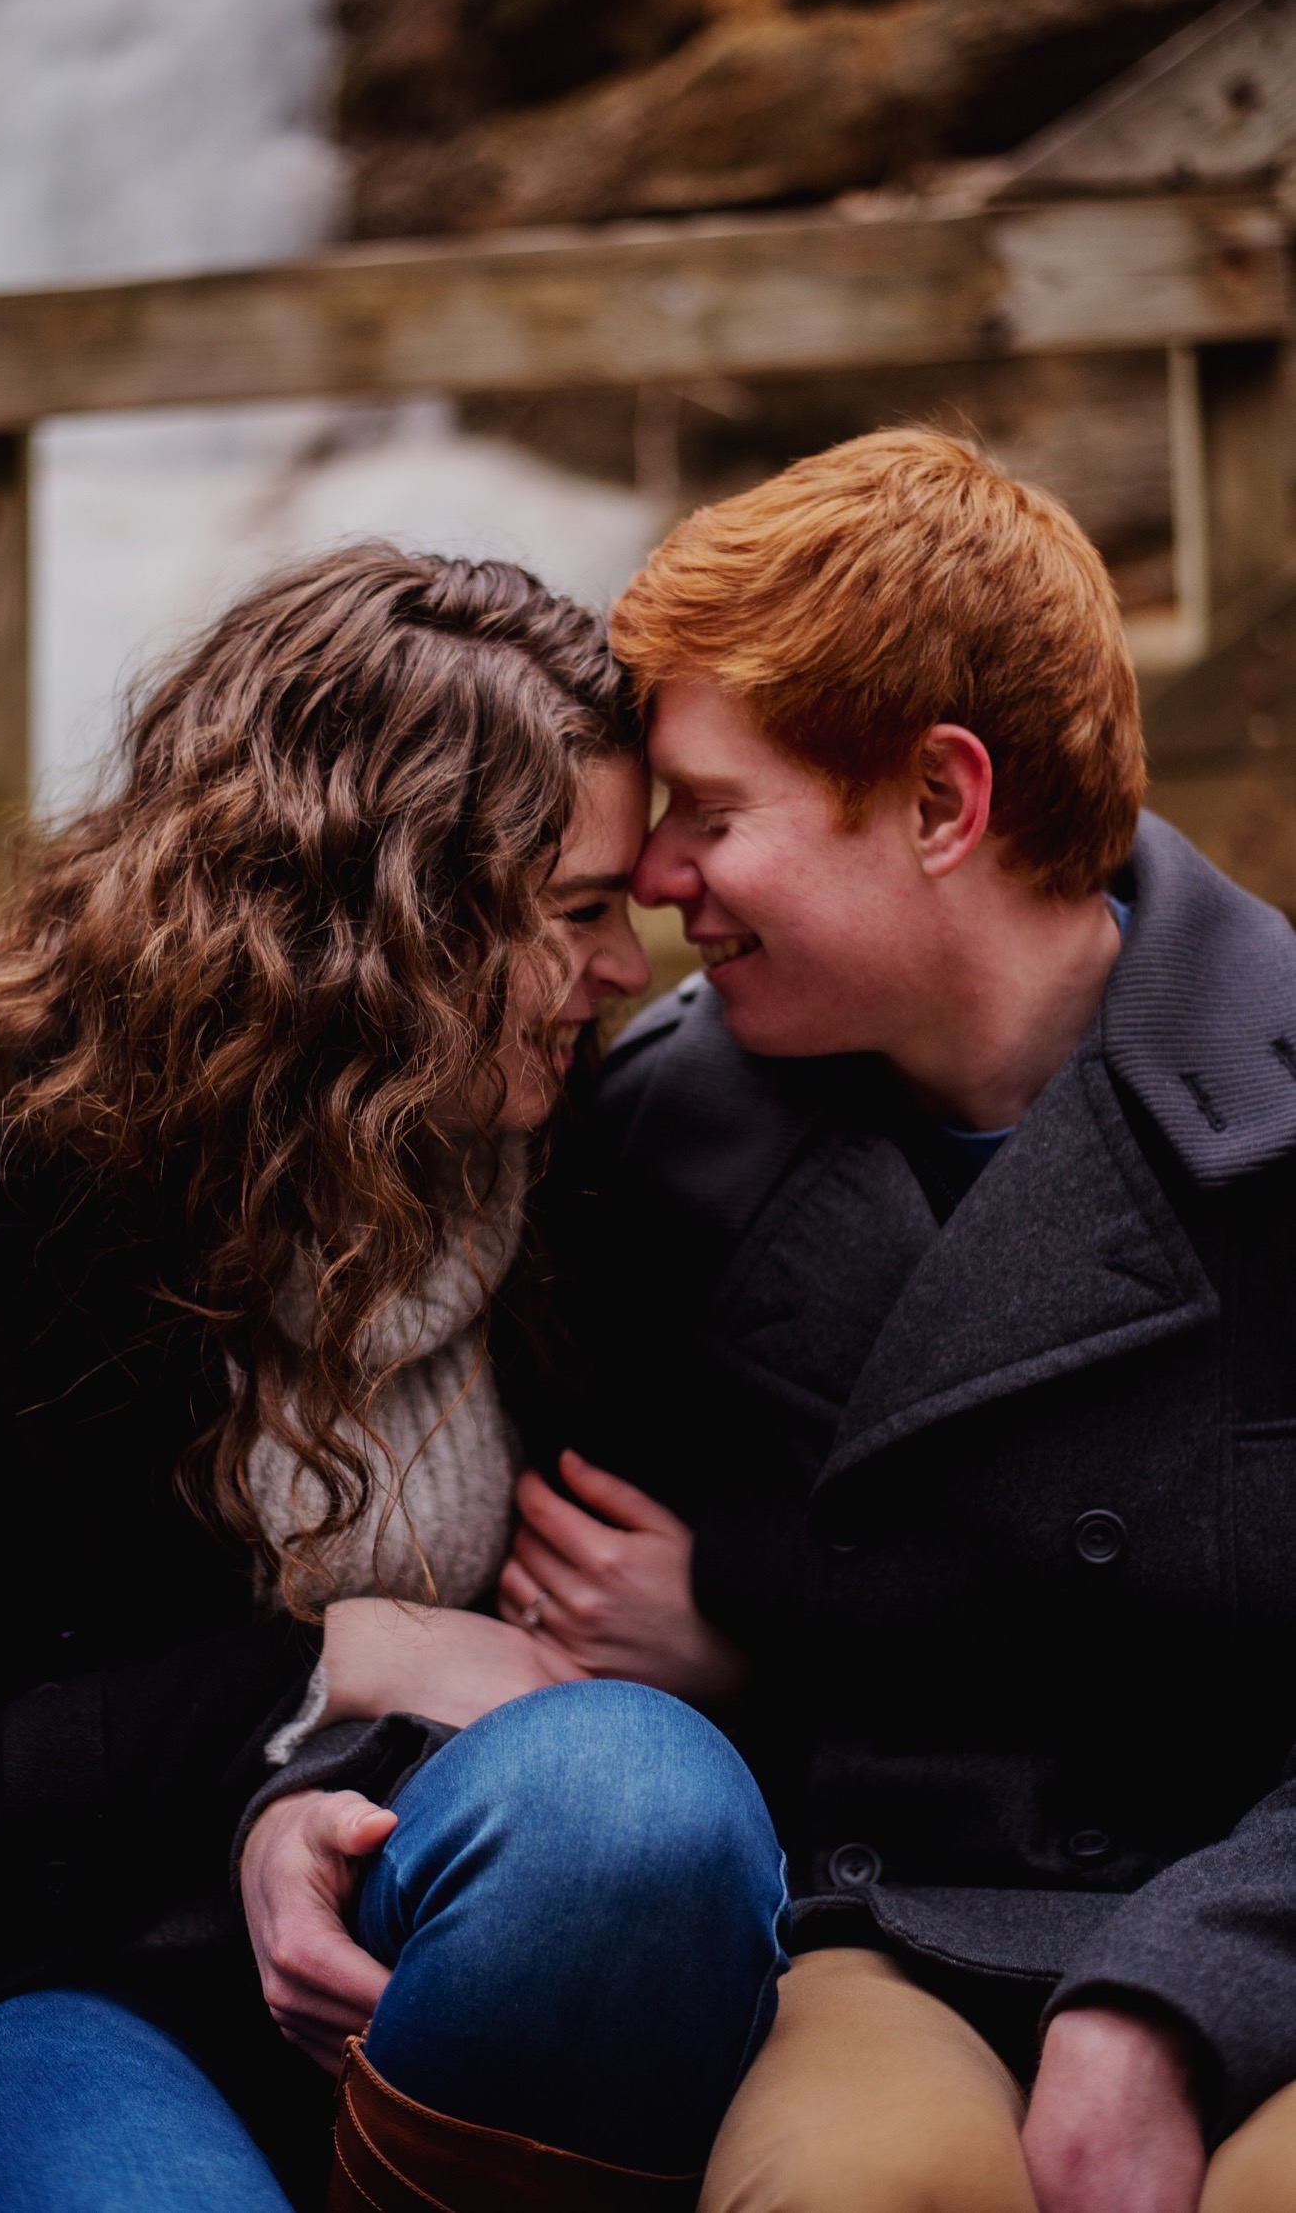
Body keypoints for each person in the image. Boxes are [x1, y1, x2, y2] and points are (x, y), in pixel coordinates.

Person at [0, 545, 791, 2213]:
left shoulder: (591, 1177)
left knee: (636, 1794)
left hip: (444, 1927)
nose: (629, 965)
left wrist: (724, 1637)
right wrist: (335, 1660)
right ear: (381, 919)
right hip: (49, 1978)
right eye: (575, 913)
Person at [482, 426, 1296, 2213]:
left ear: (941, 803)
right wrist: (727, 1661)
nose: (656, 884)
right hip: (880, 1923)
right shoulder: (650, 1147)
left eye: (710, 812)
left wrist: (1181, 1998)